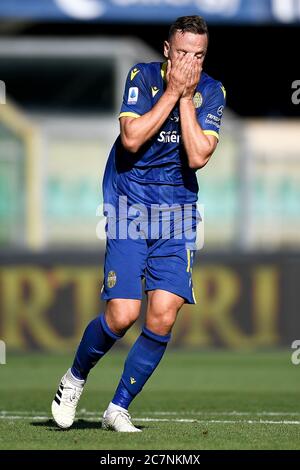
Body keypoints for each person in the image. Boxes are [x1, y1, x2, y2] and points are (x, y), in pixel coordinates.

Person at [51, 15, 226, 433]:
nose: (190, 62)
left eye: (198, 55)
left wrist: (186, 97)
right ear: (167, 50)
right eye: (183, 52)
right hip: (129, 206)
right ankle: (74, 379)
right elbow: (131, 138)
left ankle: (118, 408)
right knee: (122, 315)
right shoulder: (142, 77)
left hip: (179, 213)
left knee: (164, 314)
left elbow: (199, 155)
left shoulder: (212, 91)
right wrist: (172, 91)